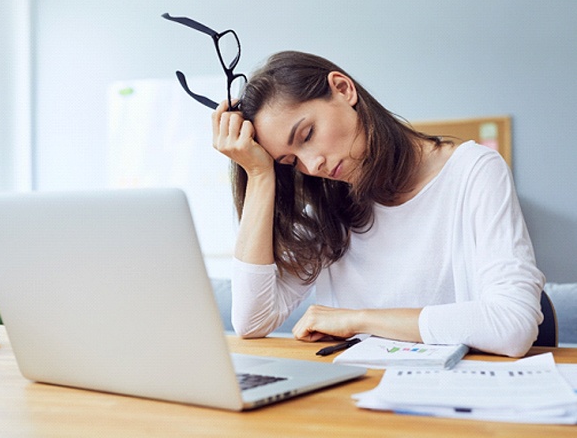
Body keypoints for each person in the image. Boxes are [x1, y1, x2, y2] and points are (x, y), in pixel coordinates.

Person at [211, 51, 545, 357]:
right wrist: (259, 174)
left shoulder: (474, 171)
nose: (312, 166)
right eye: (289, 161)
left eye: (308, 134)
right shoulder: (327, 203)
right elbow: (251, 322)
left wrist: (356, 320)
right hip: (354, 398)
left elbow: (512, 324)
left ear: (343, 89)